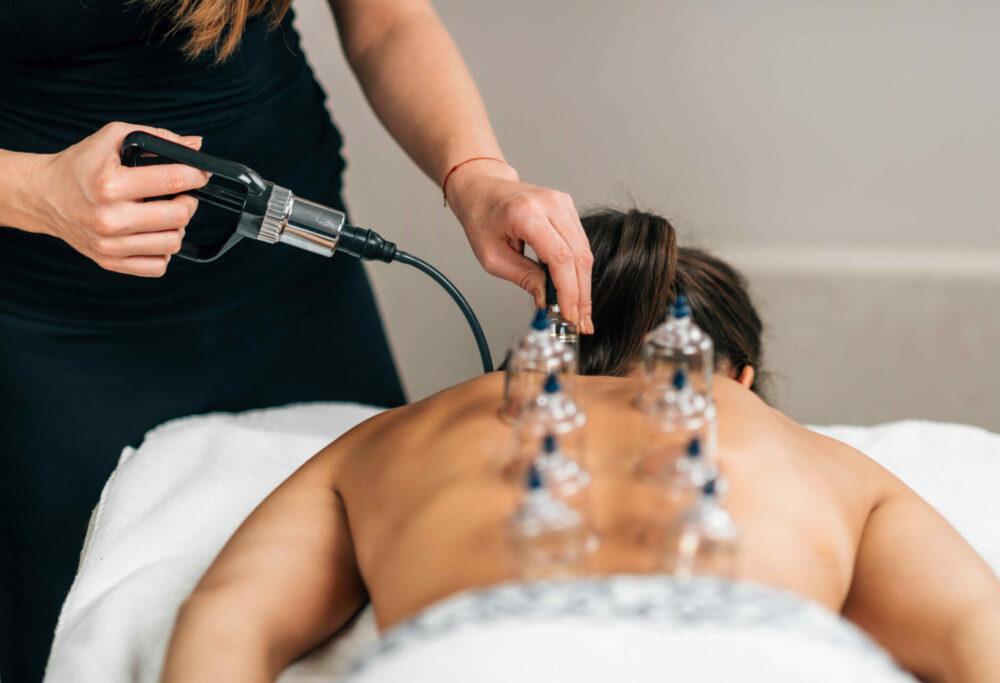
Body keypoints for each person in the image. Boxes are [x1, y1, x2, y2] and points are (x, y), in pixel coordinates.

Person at [162, 209, 1000, 682]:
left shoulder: (391, 438)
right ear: (742, 379)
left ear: (525, 359)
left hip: (480, 657)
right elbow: (979, 636)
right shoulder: (828, 463)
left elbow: (229, 619)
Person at [0, 1, 595, 679]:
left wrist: (477, 173)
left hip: (291, 276)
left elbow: (388, 20)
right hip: (48, 317)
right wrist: (33, 191)